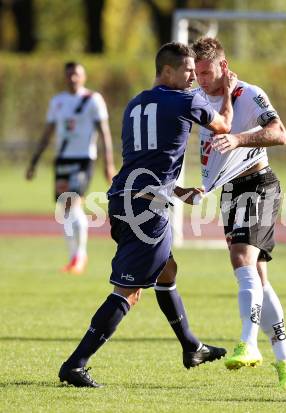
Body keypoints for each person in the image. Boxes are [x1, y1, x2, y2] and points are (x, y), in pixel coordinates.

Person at [58, 42, 237, 387]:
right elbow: (224, 126)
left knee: (166, 269)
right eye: (187, 71)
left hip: (123, 198)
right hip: (147, 210)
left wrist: (177, 191)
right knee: (129, 291)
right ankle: (75, 365)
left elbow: (145, 159)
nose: (192, 78)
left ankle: (191, 346)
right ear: (167, 72)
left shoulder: (135, 104)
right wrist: (227, 91)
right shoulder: (186, 100)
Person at [157, 37, 286, 389]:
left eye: (206, 72)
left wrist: (239, 140)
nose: (201, 79)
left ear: (223, 66)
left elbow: (279, 133)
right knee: (259, 279)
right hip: (229, 192)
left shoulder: (249, 94)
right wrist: (195, 187)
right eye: (197, 73)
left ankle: (248, 344)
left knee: (241, 260)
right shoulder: (197, 99)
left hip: (259, 185)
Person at [25, 62, 115, 274]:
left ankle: (80, 256)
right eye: (69, 75)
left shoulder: (93, 99)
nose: (73, 78)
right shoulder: (58, 102)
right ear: (65, 77)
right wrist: (34, 162)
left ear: (83, 77)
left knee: (73, 205)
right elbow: (48, 132)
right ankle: (73, 257)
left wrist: (108, 162)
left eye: (76, 74)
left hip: (84, 159)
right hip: (63, 159)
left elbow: (104, 132)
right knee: (64, 210)